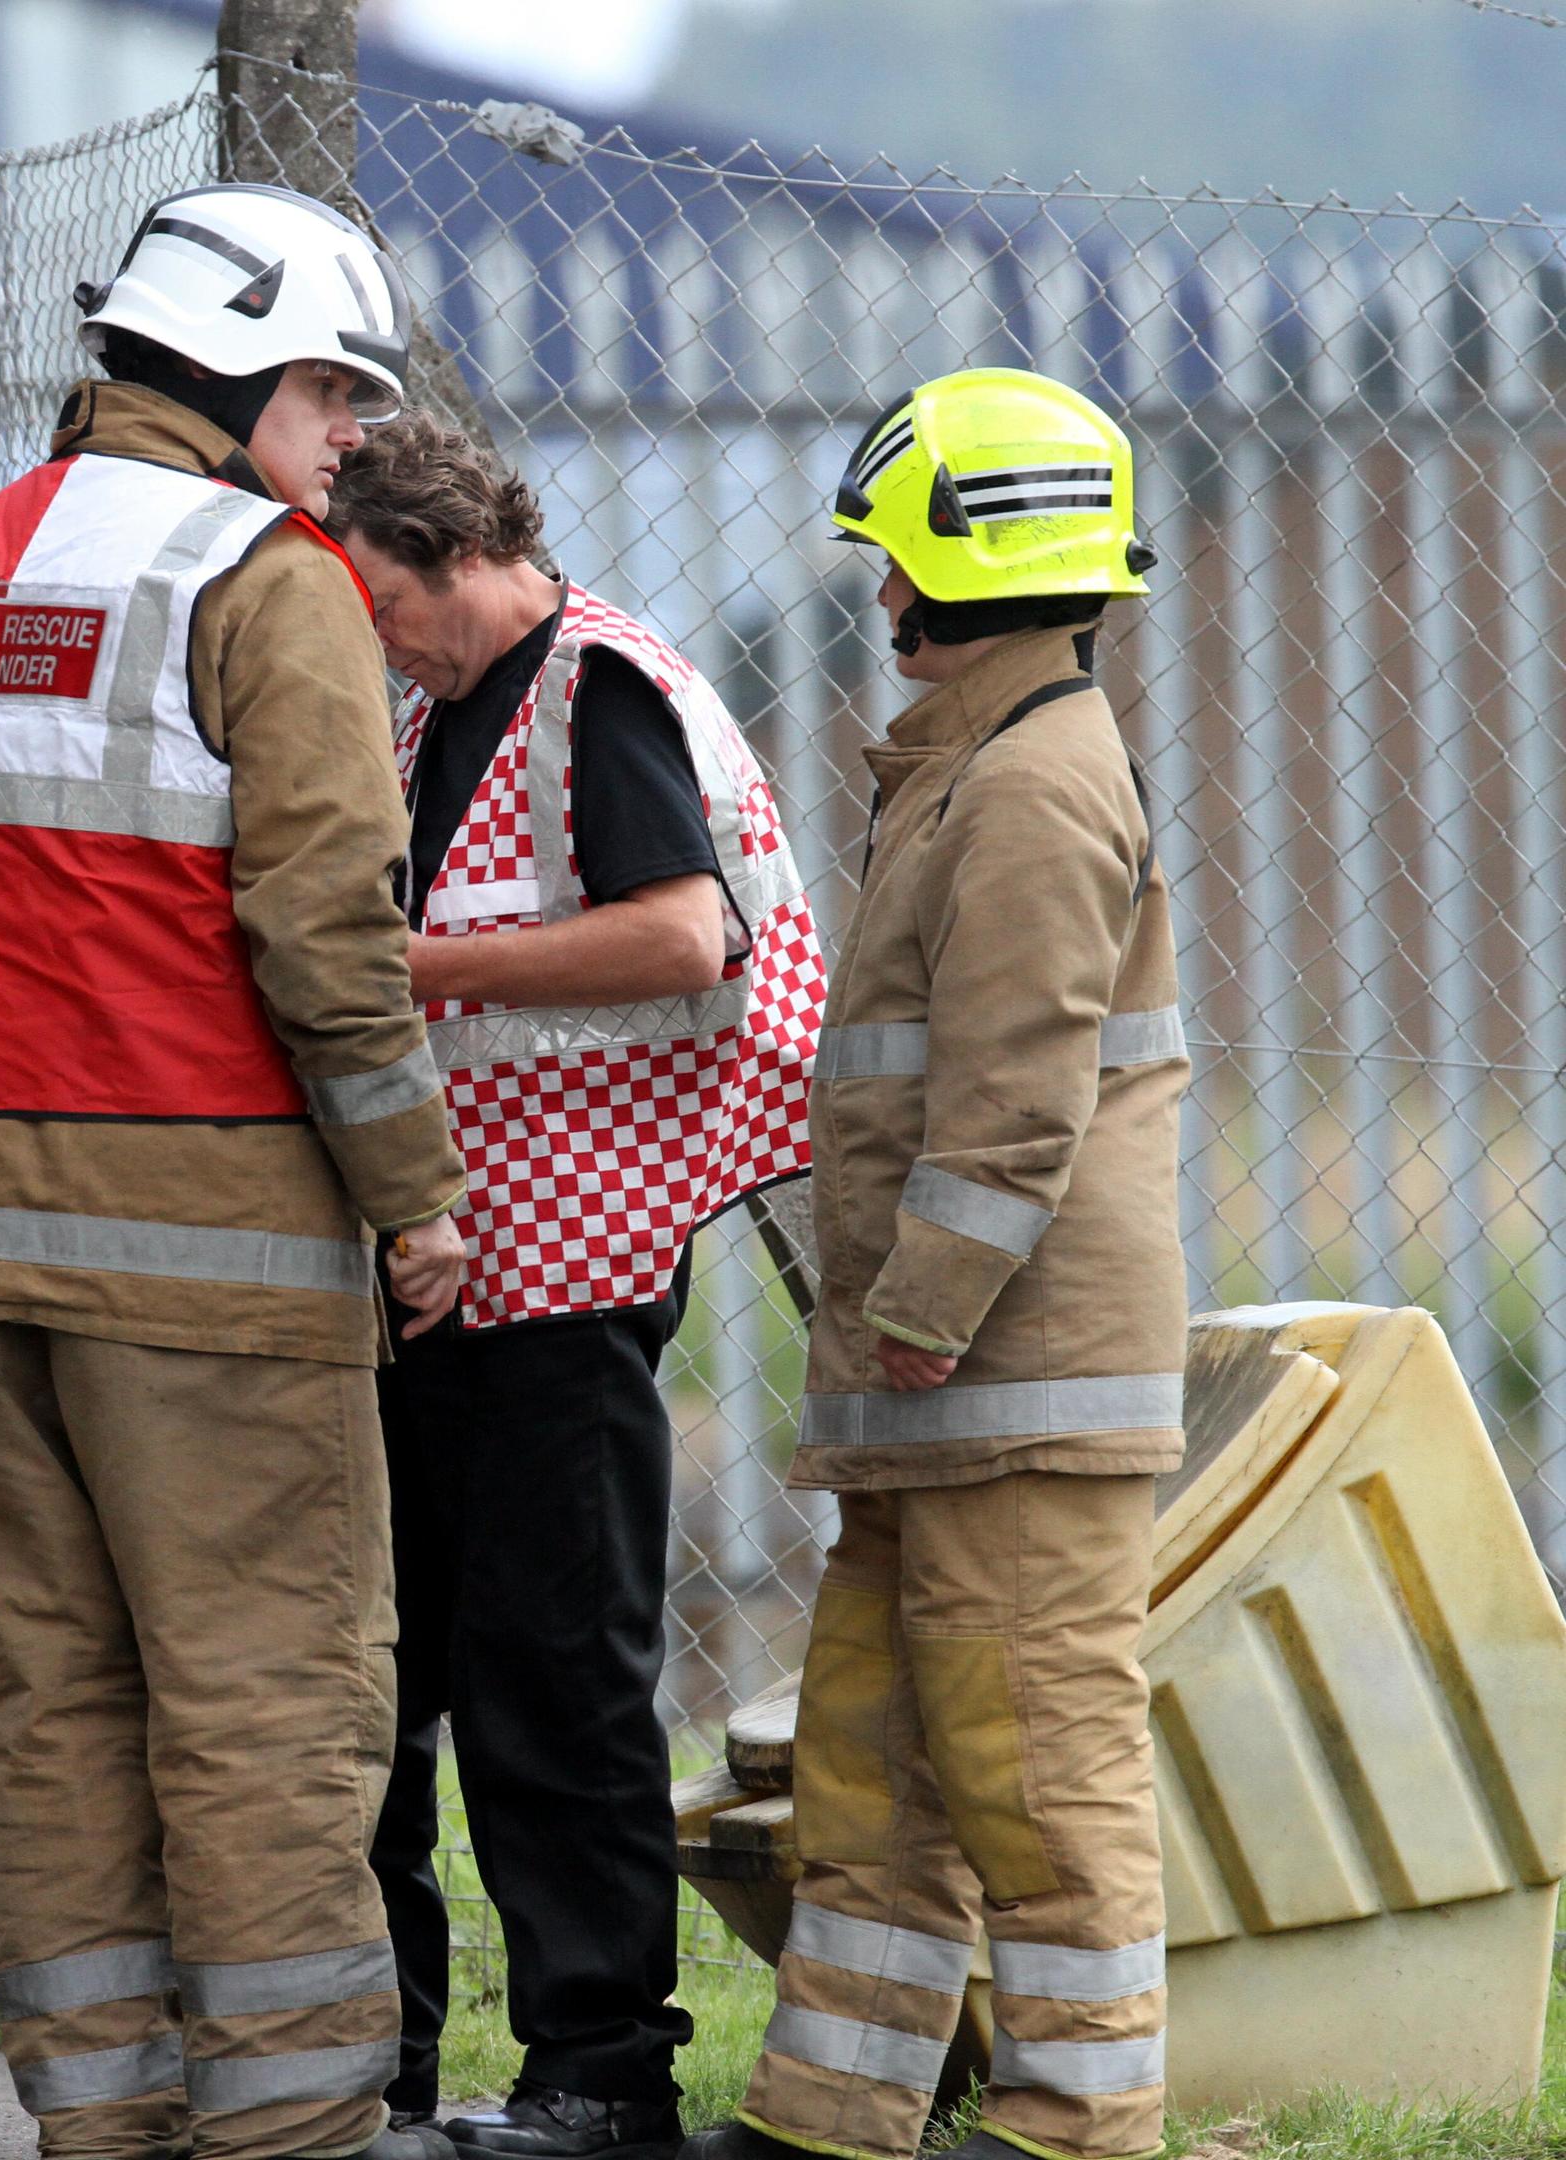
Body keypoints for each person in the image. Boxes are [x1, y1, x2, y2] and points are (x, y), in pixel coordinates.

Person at [0, 181, 472, 2160]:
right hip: (213, 1257)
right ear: (251, 374)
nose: (352, 434)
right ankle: (281, 2132)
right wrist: (414, 1196)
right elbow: (330, 938)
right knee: (270, 1695)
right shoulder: (266, 584)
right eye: (334, 391)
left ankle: (100, 2124)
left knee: (63, 1694)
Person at [684, 366, 1185, 2160]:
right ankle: (833, 2112)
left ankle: (1075, 2128)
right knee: (877, 1763)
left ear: (955, 566)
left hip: (1004, 1380)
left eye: (886, 555)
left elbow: (1016, 1099)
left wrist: (914, 1313)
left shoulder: (1038, 786)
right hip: (946, 1385)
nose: (872, 588)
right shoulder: (973, 766)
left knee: (1034, 1769)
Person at [319, 415, 822, 2160]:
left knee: (556, 1677)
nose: (369, 629)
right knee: (383, 1677)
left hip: (572, 1265)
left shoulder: (592, 687)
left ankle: (601, 2072)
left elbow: (688, 935)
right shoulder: (445, 701)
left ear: (453, 556)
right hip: (454, 1258)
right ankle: (365, 2056)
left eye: (380, 594)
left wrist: (416, 964)